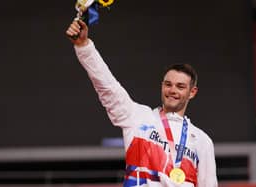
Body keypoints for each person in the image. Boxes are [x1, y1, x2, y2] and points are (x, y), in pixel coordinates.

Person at [66, 20, 218, 187]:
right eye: (168, 84)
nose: (172, 90)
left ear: (192, 92)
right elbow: (107, 86)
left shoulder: (202, 141)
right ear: (162, 86)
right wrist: (84, 46)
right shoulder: (138, 118)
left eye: (180, 86)